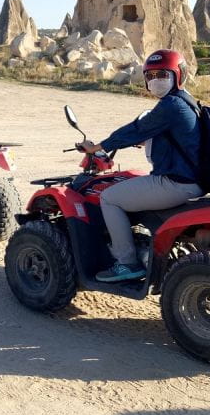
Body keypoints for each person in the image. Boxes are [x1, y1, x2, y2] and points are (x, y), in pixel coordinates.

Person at [79, 49, 203, 283]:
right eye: (151, 75)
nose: (156, 80)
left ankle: (127, 263)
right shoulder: (188, 102)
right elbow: (175, 136)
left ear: (178, 75)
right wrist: (146, 139)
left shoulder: (171, 105)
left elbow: (135, 129)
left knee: (109, 198)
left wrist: (96, 147)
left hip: (176, 183)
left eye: (162, 74)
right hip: (195, 181)